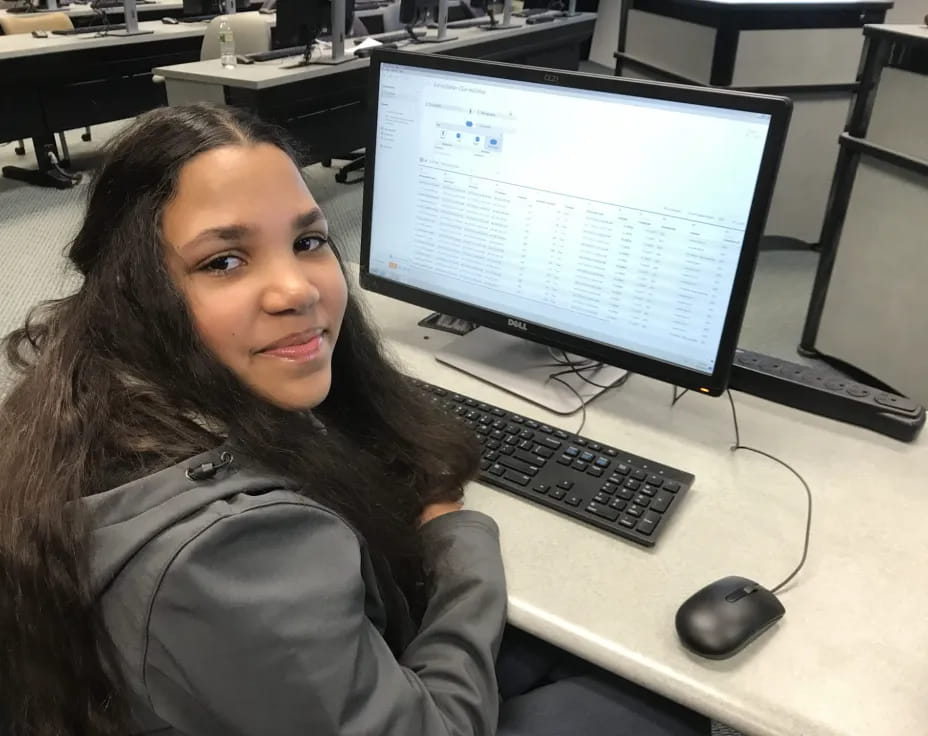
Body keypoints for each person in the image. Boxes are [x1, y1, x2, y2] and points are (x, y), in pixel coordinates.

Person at [0, 103, 709, 736]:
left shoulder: (86, 394)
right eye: (224, 260)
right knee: (660, 703)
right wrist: (456, 538)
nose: (297, 289)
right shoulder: (227, 554)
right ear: (135, 287)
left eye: (308, 241)